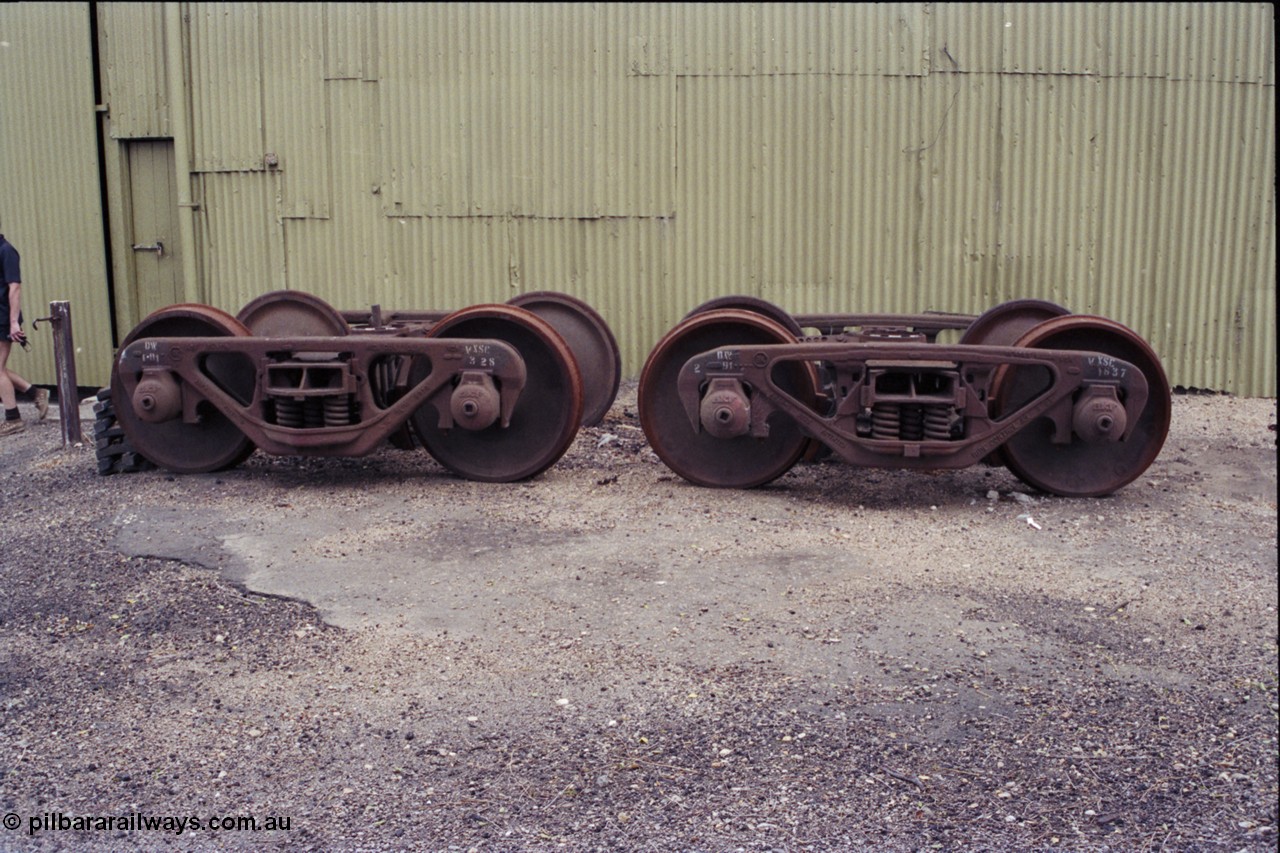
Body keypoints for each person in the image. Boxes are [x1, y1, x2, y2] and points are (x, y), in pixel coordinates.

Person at [1, 232, 49, 436]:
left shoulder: (7, 251)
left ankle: (13, 419)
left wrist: (13, 323)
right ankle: (35, 392)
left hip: (3, 317)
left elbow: (15, 287)